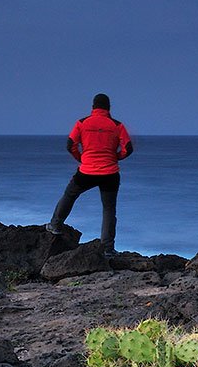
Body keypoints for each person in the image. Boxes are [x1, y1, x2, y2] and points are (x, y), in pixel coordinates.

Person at [46, 93, 133, 257]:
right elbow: (128, 148)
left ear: (93, 107)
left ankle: (55, 226)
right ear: (108, 108)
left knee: (70, 194)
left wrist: (81, 158)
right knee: (108, 209)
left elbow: (70, 145)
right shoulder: (117, 125)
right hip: (110, 172)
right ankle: (107, 248)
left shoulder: (82, 123)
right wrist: (116, 157)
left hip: (86, 171)